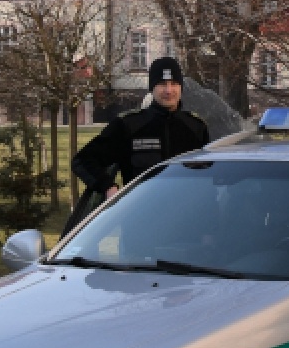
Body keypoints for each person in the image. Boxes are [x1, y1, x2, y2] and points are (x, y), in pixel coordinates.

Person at [67, 57, 210, 231]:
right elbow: (83, 160)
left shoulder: (196, 128)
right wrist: (108, 187)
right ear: (152, 87)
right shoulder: (129, 126)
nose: (168, 90)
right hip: (139, 229)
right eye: (162, 84)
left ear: (181, 86)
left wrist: (209, 230)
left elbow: (208, 183)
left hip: (188, 229)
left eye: (174, 83)